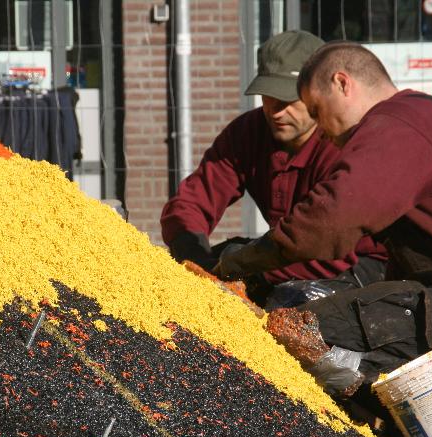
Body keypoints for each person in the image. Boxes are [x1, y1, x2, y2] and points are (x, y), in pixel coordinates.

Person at [213, 42, 432, 417]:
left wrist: (239, 262)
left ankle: (361, 425)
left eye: (317, 111)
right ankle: (380, 420)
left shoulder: (398, 126)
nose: (322, 131)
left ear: (343, 83)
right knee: (315, 328)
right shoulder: (420, 116)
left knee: (293, 328)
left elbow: (328, 221)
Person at [161, 31, 386, 308]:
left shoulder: (342, 144)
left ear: (316, 93)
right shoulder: (248, 132)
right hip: (284, 254)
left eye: (288, 100)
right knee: (180, 278)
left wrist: (253, 275)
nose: (276, 112)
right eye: (268, 97)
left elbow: (333, 250)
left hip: (361, 264)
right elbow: (191, 202)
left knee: (286, 306)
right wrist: (194, 258)